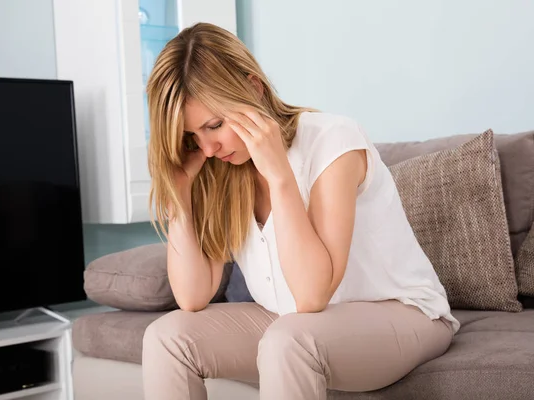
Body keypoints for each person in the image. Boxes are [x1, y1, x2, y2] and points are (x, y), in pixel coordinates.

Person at [142, 22, 459, 400]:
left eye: (215, 125)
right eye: (192, 136)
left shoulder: (333, 141)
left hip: (403, 314)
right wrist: (178, 194)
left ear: (253, 88)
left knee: (288, 339)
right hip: (290, 323)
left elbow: (311, 296)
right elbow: (193, 297)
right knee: (167, 336)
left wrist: (279, 177)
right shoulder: (219, 167)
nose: (208, 148)